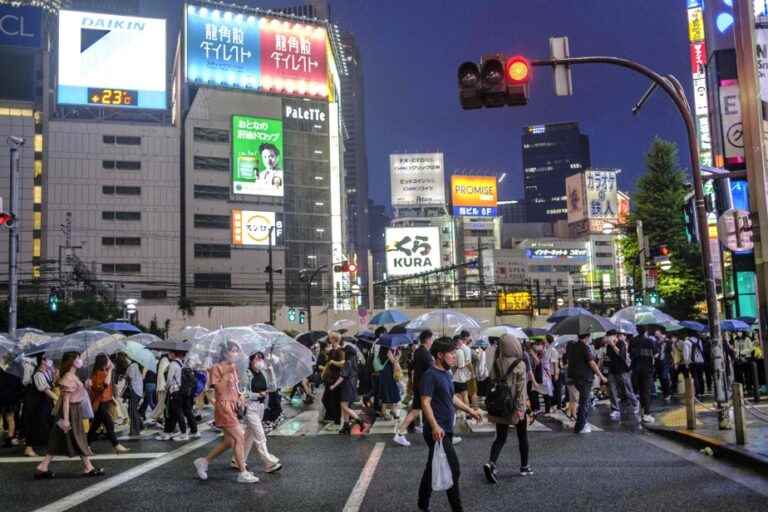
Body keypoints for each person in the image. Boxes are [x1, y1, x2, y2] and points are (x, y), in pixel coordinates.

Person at [418, 338, 482, 512]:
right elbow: (425, 403)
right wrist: (435, 426)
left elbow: (451, 397)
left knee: (432, 468)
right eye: (451, 354)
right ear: (440, 355)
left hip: (446, 428)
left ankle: (422, 503)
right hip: (437, 431)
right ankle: (457, 508)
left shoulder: (446, 373)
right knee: (454, 469)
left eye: (455, 353)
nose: (454, 356)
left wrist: (470, 410)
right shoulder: (430, 375)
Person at [194, 341, 258, 484]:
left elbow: (235, 387)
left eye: (237, 350)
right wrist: (227, 373)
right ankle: (243, 472)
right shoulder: (216, 368)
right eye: (233, 350)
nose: (235, 353)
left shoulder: (233, 368)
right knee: (240, 437)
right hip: (223, 406)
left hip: (233, 406)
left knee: (230, 441)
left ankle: (204, 461)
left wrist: (240, 395)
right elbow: (217, 389)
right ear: (225, 353)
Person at [34, 352, 104, 479]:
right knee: (77, 438)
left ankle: (43, 467)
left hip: (74, 410)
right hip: (70, 412)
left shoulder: (72, 376)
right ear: (72, 361)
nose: (80, 360)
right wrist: (66, 419)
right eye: (78, 358)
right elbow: (66, 400)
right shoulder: (68, 378)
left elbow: (77, 394)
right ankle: (88, 467)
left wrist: (86, 385)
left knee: (60, 439)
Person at [483, 334, 532, 483]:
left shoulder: (497, 362)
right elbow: (521, 389)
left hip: (500, 405)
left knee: (500, 437)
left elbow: (491, 380)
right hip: (514, 406)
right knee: (522, 437)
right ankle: (524, 466)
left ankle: (491, 463)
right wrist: (522, 409)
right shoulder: (520, 364)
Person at [239, 352, 282, 474]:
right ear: (251, 359)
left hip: (261, 407)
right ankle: (269, 463)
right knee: (260, 435)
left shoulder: (263, 372)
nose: (259, 360)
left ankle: (238, 460)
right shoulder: (246, 374)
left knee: (249, 436)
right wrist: (258, 394)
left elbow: (273, 388)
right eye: (256, 358)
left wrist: (271, 371)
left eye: (261, 358)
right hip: (250, 407)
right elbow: (243, 393)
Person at [394, 330, 434, 446]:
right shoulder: (424, 353)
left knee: (416, 410)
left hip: (419, 386)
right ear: (427, 339)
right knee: (417, 410)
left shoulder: (418, 351)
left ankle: (403, 432)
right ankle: (400, 433)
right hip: (423, 387)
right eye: (431, 339)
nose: (432, 341)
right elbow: (432, 368)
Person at [566, 333, 607, 434]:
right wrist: (601, 376)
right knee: (584, 402)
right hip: (585, 378)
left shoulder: (572, 346)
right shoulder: (584, 347)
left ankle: (581, 423)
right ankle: (580, 426)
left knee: (583, 401)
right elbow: (592, 363)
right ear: (587, 337)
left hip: (575, 377)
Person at [87, 354, 129, 454]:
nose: (110, 362)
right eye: (108, 360)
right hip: (101, 402)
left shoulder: (102, 372)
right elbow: (104, 385)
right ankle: (116, 445)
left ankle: (86, 445)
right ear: (104, 363)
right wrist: (110, 370)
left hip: (104, 402)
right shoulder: (100, 373)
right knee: (109, 424)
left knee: (94, 426)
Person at [20, 354, 56, 457]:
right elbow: (45, 390)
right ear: (41, 362)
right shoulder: (38, 374)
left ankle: (51, 447)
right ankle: (29, 448)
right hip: (35, 405)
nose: (49, 362)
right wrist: (58, 399)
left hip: (43, 404)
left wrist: (54, 374)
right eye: (46, 360)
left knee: (47, 424)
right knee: (34, 425)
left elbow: (50, 386)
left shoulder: (46, 372)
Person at [159, 349, 198, 441]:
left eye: (170, 353)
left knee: (178, 412)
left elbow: (169, 380)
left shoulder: (173, 364)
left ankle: (183, 433)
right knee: (183, 411)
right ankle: (186, 431)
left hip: (175, 391)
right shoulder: (182, 363)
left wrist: (166, 387)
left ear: (173, 354)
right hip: (183, 391)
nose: (168, 354)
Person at [604, 330, 639, 423]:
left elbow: (622, 355)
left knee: (627, 389)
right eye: (608, 337)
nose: (608, 338)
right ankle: (615, 409)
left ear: (615, 336)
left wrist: (613, 345)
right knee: (612, 390)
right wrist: (605, 371)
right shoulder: (608, 346)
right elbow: (607, 358)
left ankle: (635, 403)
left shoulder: (621, 343)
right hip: (612, 371)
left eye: (609, 336)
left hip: (622, 370)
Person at [631, 327, 657, 423]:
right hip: (647, 369)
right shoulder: (649, 341)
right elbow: (656, 354)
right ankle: (647, 414)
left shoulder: (633, 340)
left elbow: (630, 354)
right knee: (646, 391)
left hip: (636, 369)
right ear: (645, 331)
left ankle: (641, 411)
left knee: (640, 391)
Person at [337, 343, 364, 435]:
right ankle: (346, 426)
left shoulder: (347, 362)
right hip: (352, 386)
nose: (343, 353)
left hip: (346, 386)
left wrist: (333, 385)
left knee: (343, 406)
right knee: (346, 407)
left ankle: (359, 420)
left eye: (344, 352)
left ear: (347, 353)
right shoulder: (355, 362)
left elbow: (343, 376)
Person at [120, 353, 144, 438]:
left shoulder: (133, 366)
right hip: (138, 391)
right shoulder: (137, 366)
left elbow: (130, 377)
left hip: (134, 390)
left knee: (132, 411)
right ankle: (139, 426)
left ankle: (135, 430)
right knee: (133, 410)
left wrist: (125, 376)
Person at [375, 345, 402, 420]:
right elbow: (393, 361)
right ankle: (384, 412)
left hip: (389, 372)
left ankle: (393, 410)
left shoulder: (391, 349)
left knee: (393, 391)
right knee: (387, 392)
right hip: (386, 373)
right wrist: (398, 356)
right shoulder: (386, 349)